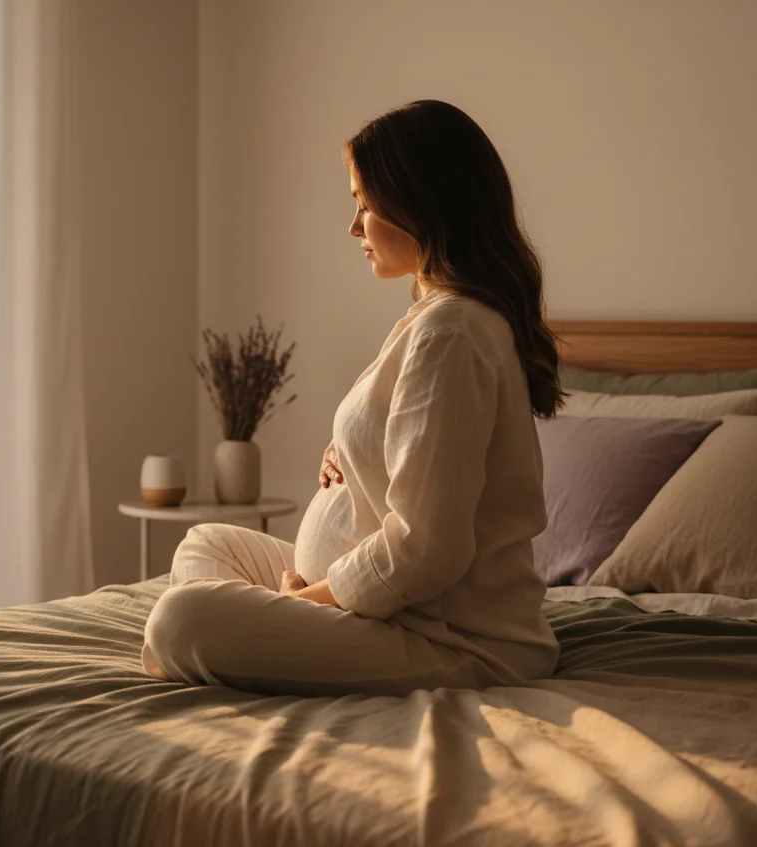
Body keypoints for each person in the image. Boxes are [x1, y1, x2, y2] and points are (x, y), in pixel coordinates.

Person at [142, 100, 564, 697]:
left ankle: (282, 635)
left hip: (448, 634)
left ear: (421, 201)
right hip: (373, 603)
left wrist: (304, 604)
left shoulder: (453, 333)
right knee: (207, 541)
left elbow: (426, 547)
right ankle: (282, 637)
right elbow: (414, 461)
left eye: (364, 203)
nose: (354, 225)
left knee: (180, 623)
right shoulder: (435, 321)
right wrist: (350, 449)